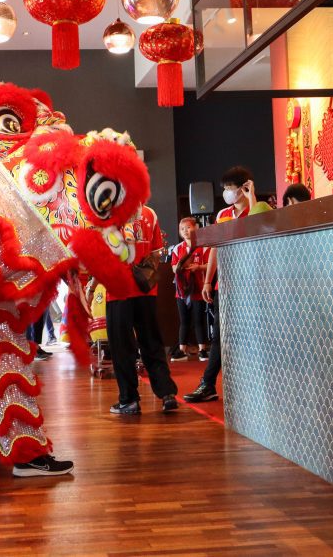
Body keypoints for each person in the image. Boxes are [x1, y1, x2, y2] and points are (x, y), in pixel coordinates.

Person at [185, 166, 271, 404]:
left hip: (253, 285)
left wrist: (253, 197)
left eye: (230, 189)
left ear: (244, 188)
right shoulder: (223, 214)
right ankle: (208, 384)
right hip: (227, 285)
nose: (226, 193)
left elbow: (259, 229)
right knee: (221, 336)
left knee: (254, 335)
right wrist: (209, 279)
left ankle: (257, 385)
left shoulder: (260, 209)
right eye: (224, 189)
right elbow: (214, 247)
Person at [106, 205, 179, 415]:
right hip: (146, 290)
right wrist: (145, 276)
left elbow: (104, 252)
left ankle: (129, 399)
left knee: (122, 347)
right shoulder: (150, 213)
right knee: (152, 342)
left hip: (118, 290)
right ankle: (167, 394)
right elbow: (157, 252)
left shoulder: (109, 212)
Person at [169, 217, 209, 362]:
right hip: (181, 290)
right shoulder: (177, 248)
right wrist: (181, 267)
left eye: (188, 227)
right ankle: (182, 351)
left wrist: (198, 267)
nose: (185, 231)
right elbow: (173, 267)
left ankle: (202, 350)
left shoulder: (203, 246)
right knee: (184, 320)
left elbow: (210, 264)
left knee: (198, 320)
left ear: (195, 228)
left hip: (198, 288)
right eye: (182, 229)